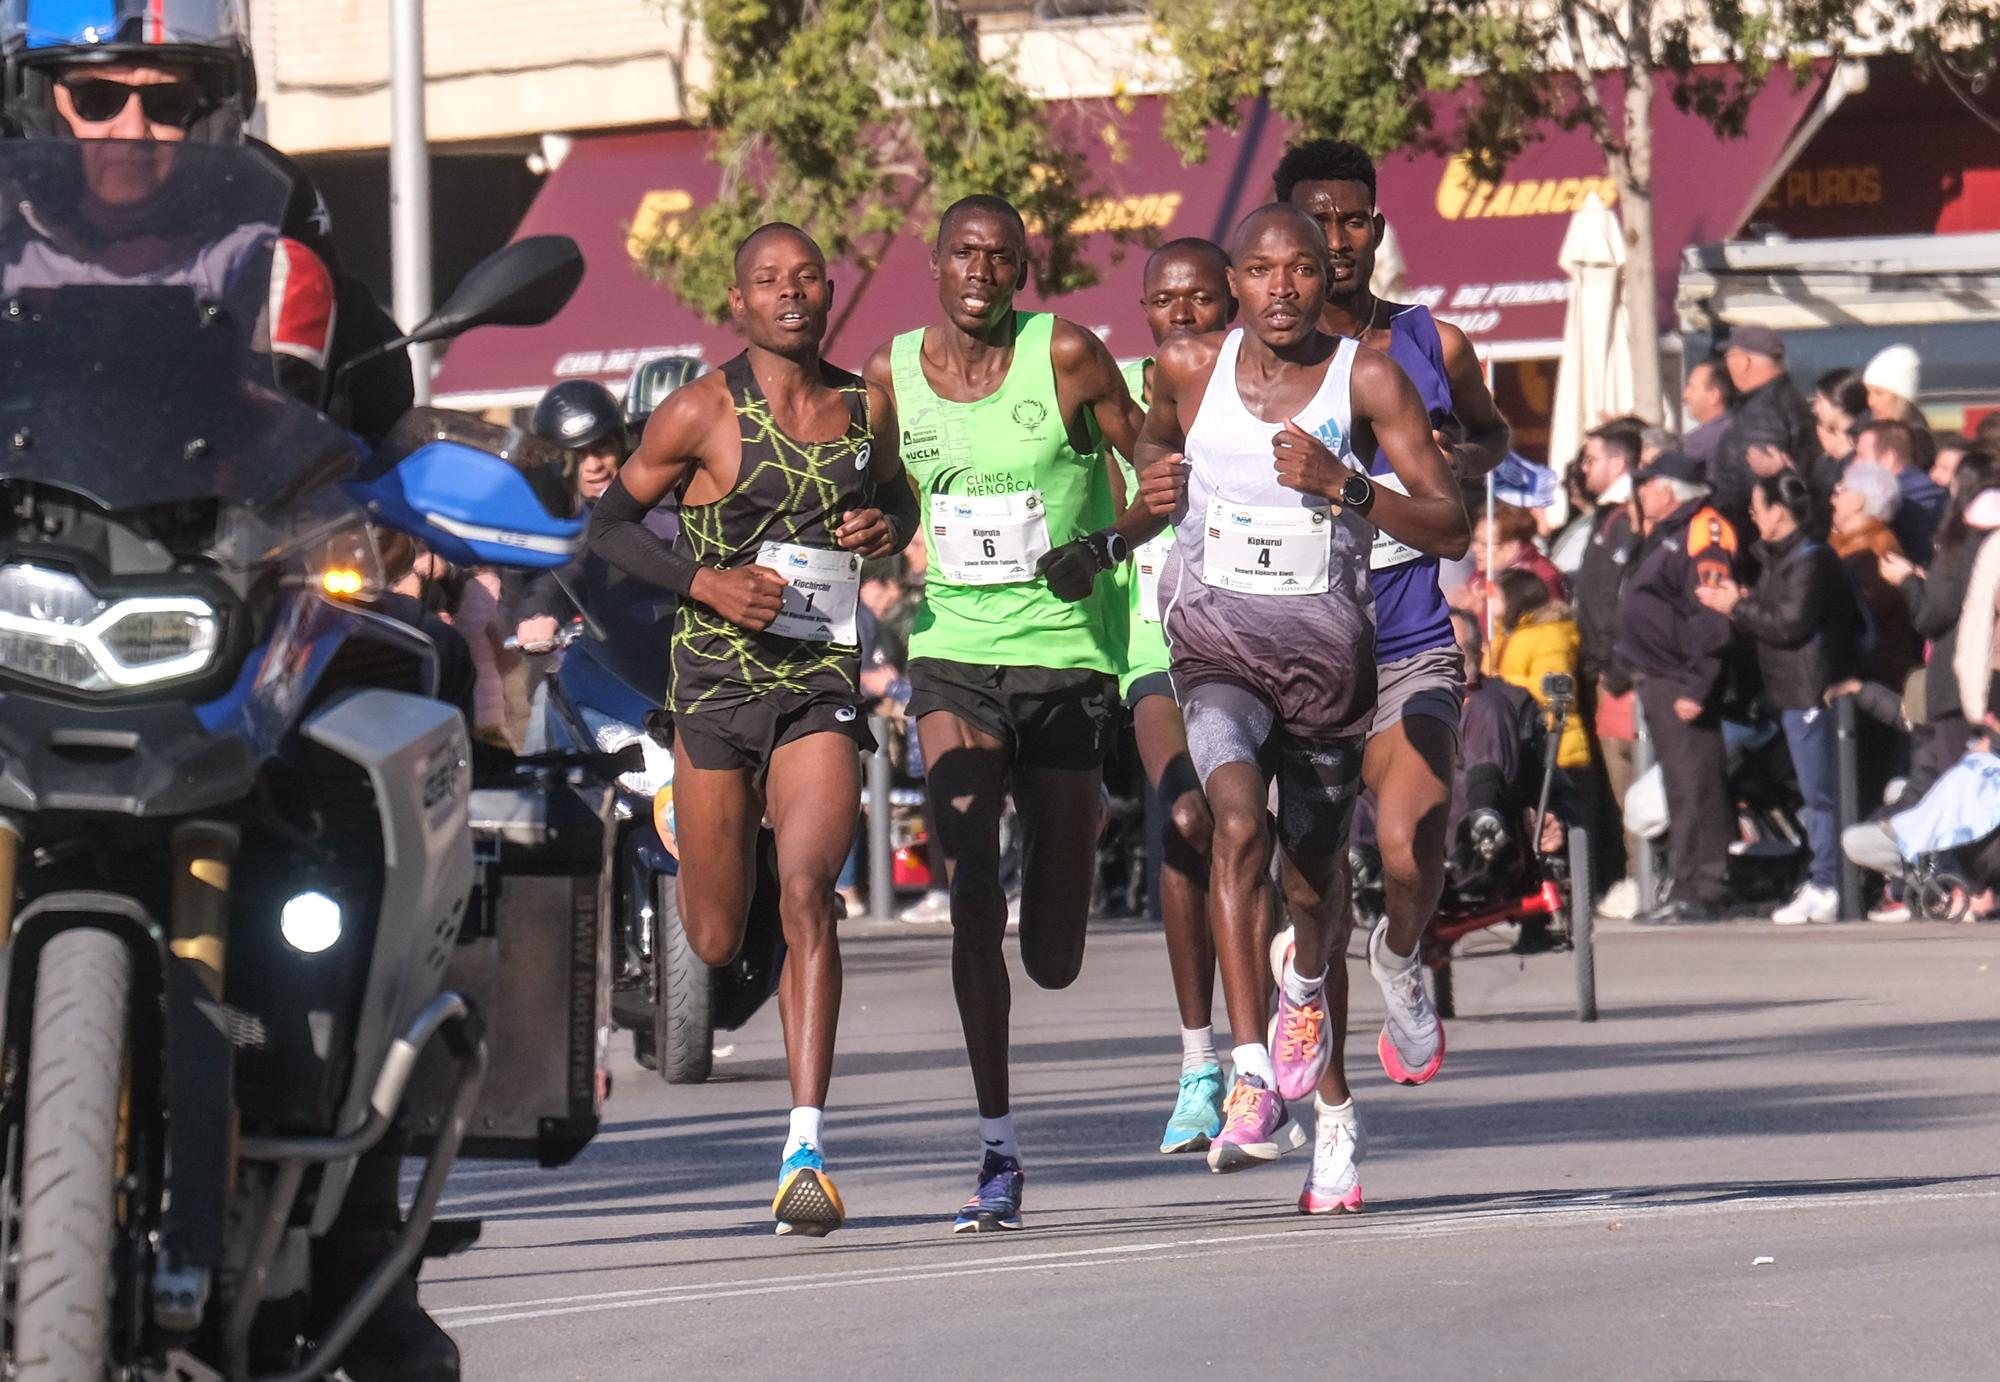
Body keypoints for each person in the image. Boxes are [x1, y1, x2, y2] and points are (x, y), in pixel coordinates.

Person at [1134, 202, 1467, 1213]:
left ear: (1330, 279)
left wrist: (1345, 487)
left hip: (1336, 666)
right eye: (1259, 269)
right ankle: (1250, 1071)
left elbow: (1448, 522)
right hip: (1219, 657)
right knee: (1232, 821)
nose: (1280, 286)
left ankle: (1314, 994)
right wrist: (1137, 512)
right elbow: (1151, 458)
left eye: (1301, 270)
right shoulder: (1186, 370)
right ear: (1232, 281)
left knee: (1315, 883)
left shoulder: (1365, 376)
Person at [588, 223, 917, 1236]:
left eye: (806, 278)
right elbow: (602, 529)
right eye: (768, 281)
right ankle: (743, 899)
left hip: (817, 678)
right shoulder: (700, 410)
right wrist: (702, 580)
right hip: (715, 691)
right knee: (717, 933)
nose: (790, 294)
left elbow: (894, 500)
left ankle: (805, 1145)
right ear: (737, 302)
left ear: (828, 293)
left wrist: (881, 528)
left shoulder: (864, 408)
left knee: (813, 888)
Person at [860, 194, 1155, 1233]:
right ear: (933, 262)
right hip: (952, 653)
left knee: (1054, 956)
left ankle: (1080, 820)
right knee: (970, 875)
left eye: (1002, 257)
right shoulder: (886, 375)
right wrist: (872, 524)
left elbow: (1157, 473)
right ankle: (996, 1143)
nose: (981, 270)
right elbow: (887, 497)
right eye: (964, 253)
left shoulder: (1067, 354)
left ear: (1022, 273)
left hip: (1066, 660)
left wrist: (1103, 549)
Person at [1277, 140, 1511, 1122]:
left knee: (1411, 844)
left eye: (1356, 220)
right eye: (1317, 222)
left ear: (1376, 226)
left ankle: (1402, 952)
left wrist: (1462, 451)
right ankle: (1311, 1040)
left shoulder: (1431, 340)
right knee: (1310, 880)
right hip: (1296, 644)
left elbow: (1494, 434)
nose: (1339, 240)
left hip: (1409, 629)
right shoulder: (1256, 356)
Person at [1115, 238, 1242, 1155]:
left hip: (1263, 646)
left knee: (1252, 835)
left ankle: (1260, 1057)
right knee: (1187, 820)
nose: (1183, 314)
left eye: (1201, 297)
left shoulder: (1269, 383)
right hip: (1152, 647)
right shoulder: (1119, 386)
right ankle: (1200, 1058)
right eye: (1165, 300)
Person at [1696, 472, 1861, 924]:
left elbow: (1790, 623)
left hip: (1812, 689)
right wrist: (1746, 601)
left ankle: (1830, 882)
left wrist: (1737, 606)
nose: (1752, 517)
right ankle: (1823, 873)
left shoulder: (1812, 558)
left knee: (1822, 792)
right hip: (1787, 690)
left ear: (1777, 511)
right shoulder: (1777, 559)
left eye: (1756, 508)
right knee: (1813, 792)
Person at [1615, 451, 1742, 924]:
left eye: (1647, 483)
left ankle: (1706, 885)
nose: (1641, 491)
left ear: (1668, 488)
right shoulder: (1663, 531)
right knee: (1679, 788)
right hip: (1658, 677)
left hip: (1682, 679)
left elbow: (1711, 614)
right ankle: (1687, 882)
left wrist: (1698, 684)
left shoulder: (1702, 529)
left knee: (1697, 784)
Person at [1880, 451, 2000, 803]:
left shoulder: (1961, 542)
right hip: (1989, 683)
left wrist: (1907, 581)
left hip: (1959, 683)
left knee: (1960, 800)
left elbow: (1933, 614)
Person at [1574, 422, 1645, 912]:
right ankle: (1634, 875)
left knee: (1631, 781)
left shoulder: (1630, 518)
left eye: (1591, 459)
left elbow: (1624, 601)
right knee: (1620, 786)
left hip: (1623, 675)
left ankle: (1644, 877)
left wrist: (1614, 667)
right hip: (1604, 670)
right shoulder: (1605, 518)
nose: (1583, 469)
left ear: (1618, 463)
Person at [1714, 325, 1824, 541]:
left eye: (1729, 356)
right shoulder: (1791, 399)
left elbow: (1755, 492)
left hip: (1758, 544)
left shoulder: (1761, 413)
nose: (1727, 364)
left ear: (1745, 361)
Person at [1487, 568, 1590, 771]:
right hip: (1520, 736)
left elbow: (1551, 692)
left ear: (1514, 598)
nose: (1489, 602)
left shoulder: (1549, 635)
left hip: (1553, 743)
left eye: (1495, 596)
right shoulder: (1503, 636)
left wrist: (1504, 688)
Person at [1830, 461, 1918, 693]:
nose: (1833, 499)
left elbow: (1864, 627)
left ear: (1859, 501)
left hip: (1870, 685)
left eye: (1841, 491)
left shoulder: (1872, 556)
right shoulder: (1852, 548)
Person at [1856, 419, 1948, 566]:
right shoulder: (1926, 488)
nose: (1855, 463)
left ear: (1888, 459)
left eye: (1862, 456)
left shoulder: (1907, 497)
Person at [1452, 500, 1565, 610]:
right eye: (1475, 540)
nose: (1475, 548)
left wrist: (1479, 610)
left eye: (1485, 544)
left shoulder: (1541, 579)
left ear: (1511, 547)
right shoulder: (1482, 575)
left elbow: (1539, 624)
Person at [1862, 343, 1935, 469]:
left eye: (1879, 393)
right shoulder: (1874, 427)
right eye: (1868, 393)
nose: (1870, 401)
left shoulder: (1915, 438)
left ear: (1899, 397)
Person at [1681, 354, 1736, 462]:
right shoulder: (1746, 427)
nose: (1685, 395)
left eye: (1692, 387)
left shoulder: (1698, 443)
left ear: (1714, 396)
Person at [1811, 367, 1868, 463]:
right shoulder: (1825, 440)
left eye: (1820, 400)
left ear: (1839, 402)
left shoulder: (1867, 444)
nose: (1814, 409)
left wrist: (1845, 455)